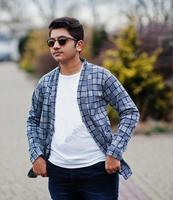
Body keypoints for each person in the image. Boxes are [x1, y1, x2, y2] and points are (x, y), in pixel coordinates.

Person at [26, 17, 139, 200]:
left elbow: (130, 112)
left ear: (79, 45)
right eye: (51, 41)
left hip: (98, 171)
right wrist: (36, 155)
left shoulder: (101, 76)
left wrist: (114, 152)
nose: (55, 45)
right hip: (59, 174)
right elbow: (32, 120)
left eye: (62, 41)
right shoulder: (45, 83)